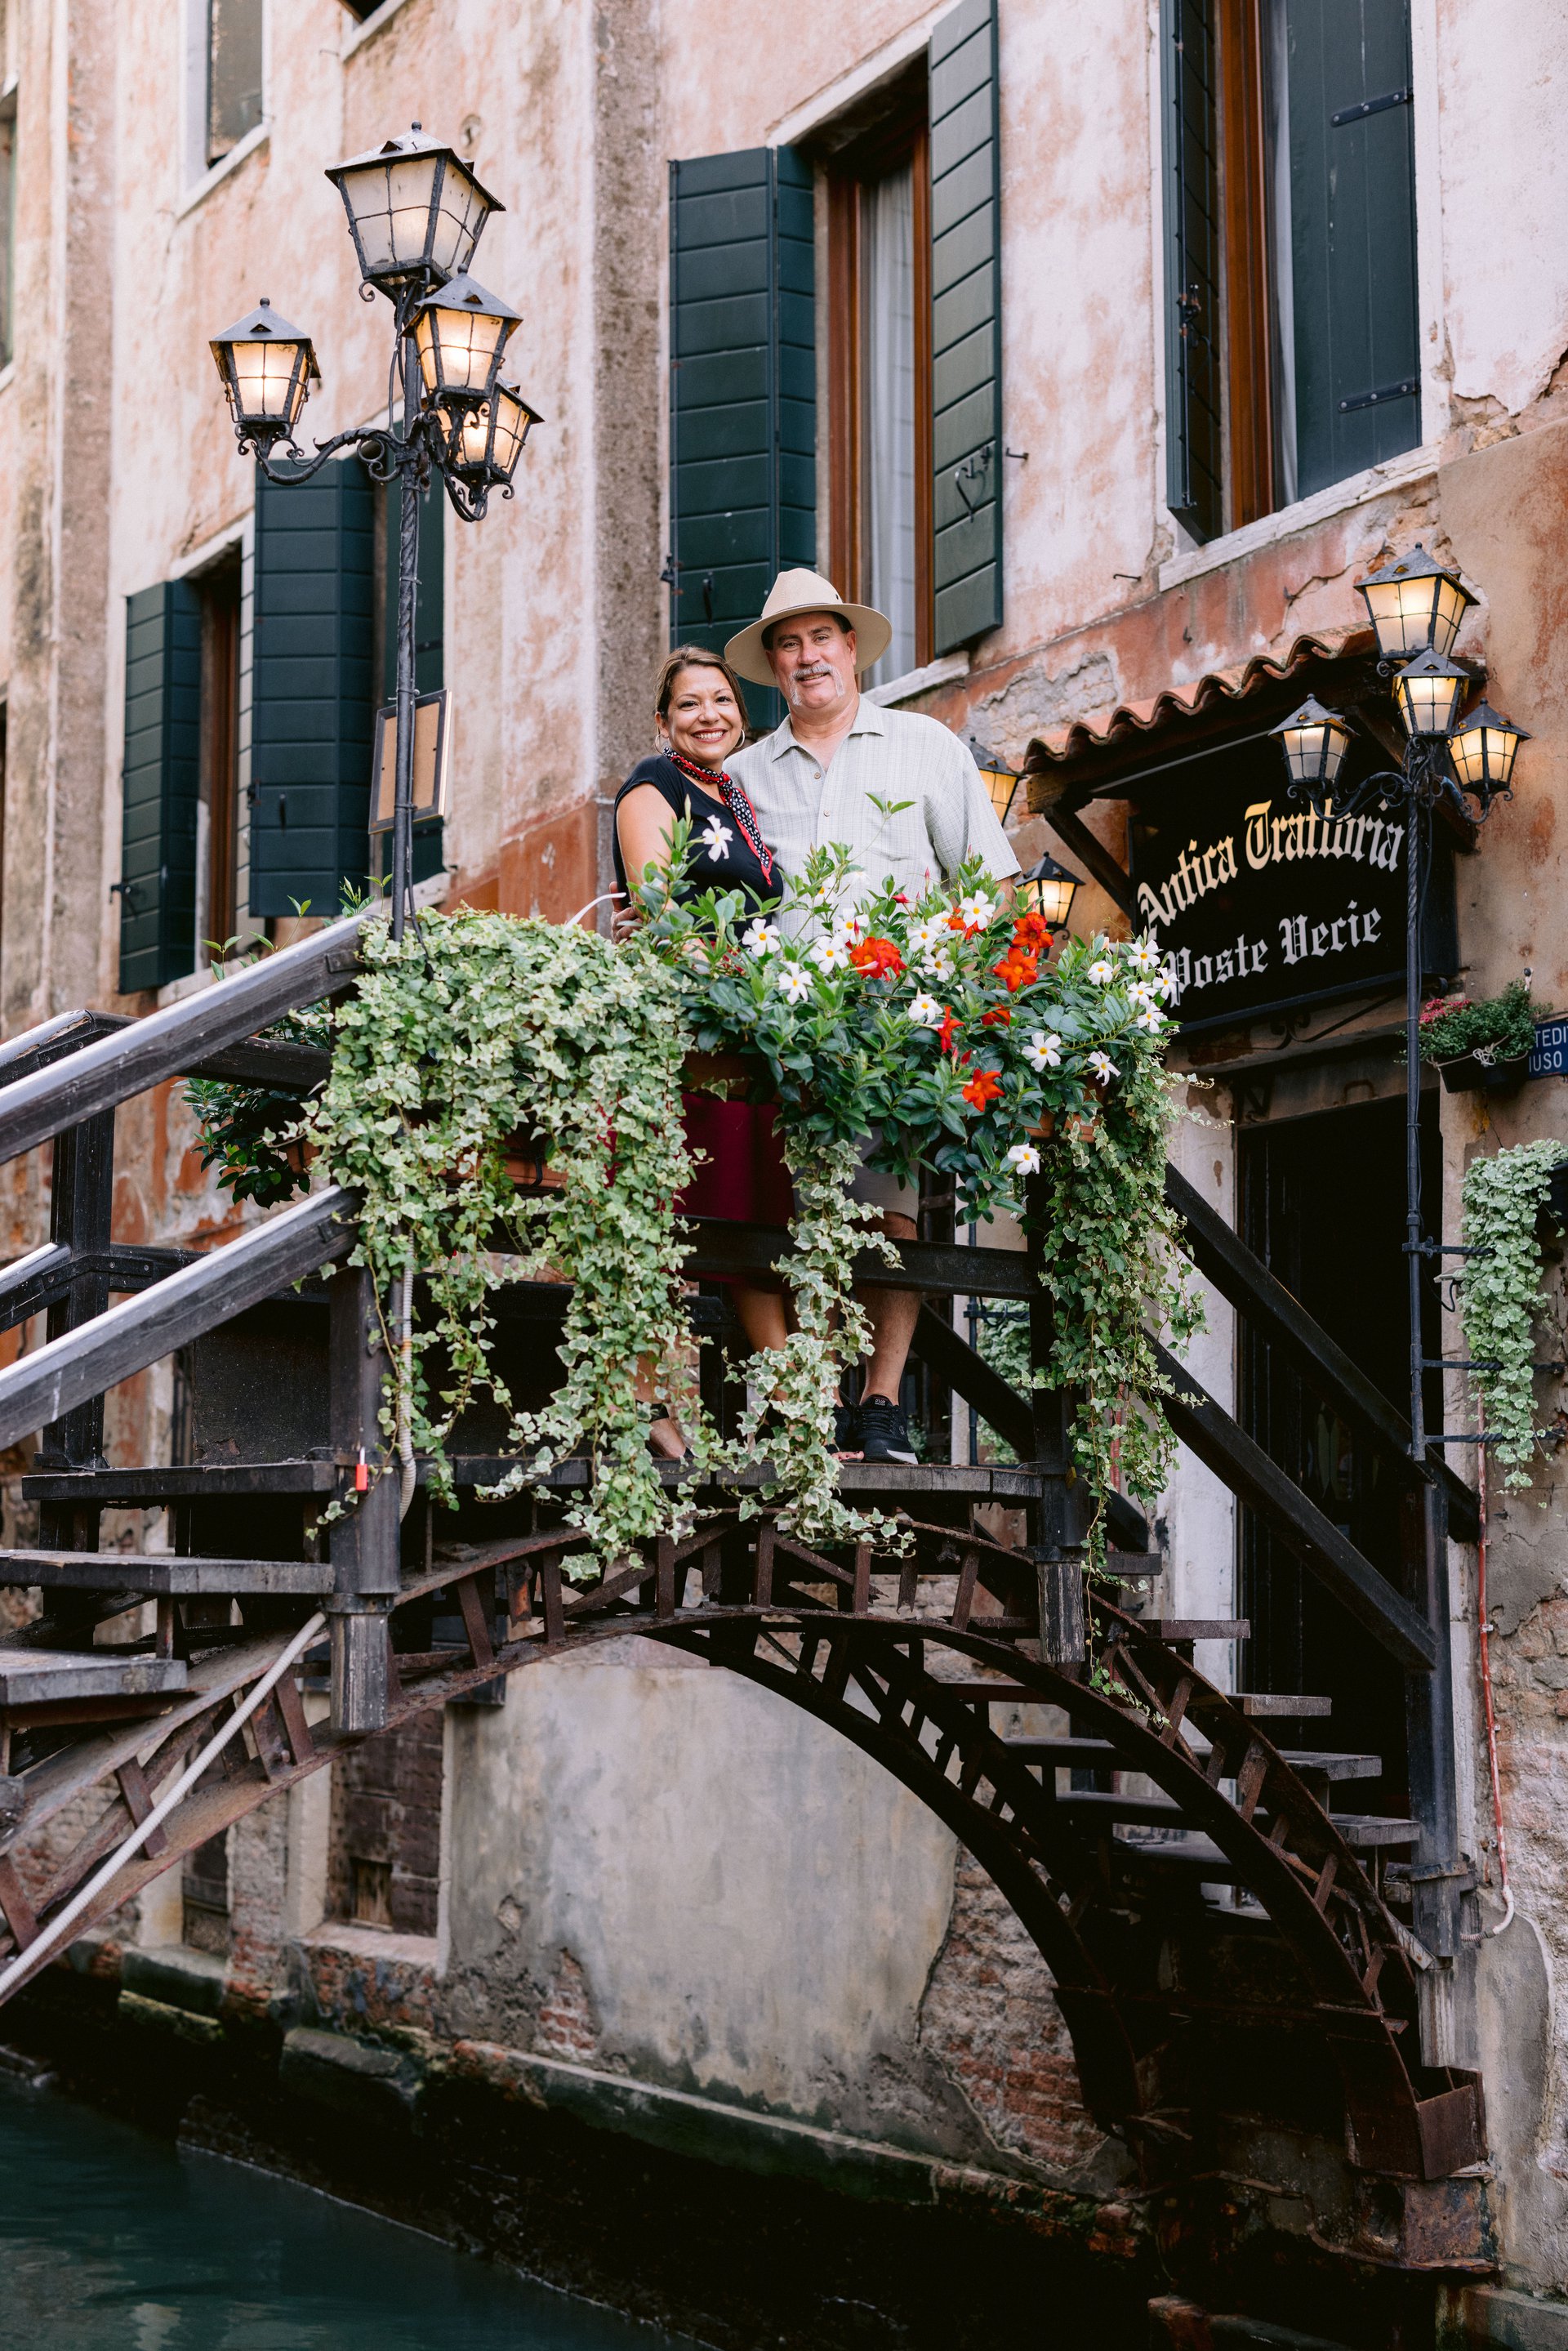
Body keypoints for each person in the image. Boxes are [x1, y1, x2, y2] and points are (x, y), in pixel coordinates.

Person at [724, 569, 1022, 1465]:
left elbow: (991, 886)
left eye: (822, 638)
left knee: (891, 1216)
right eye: (789, 643)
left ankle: (883, 1400)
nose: (808, 656)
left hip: (895, 1023)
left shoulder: (927, 747)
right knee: (781, 1219)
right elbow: (711, 897)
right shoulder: (740, 776)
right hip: (777, 1035)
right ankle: (809, 1402)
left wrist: (955, 995)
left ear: (851, 648)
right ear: (773, 666)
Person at [612, 646, 793, 1460]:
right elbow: (658, 911)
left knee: (751, 1217)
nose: (709, 714)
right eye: (690, 704)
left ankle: (792, 1404)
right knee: (670, 1219)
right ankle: (648, 1409)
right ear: (664, 720)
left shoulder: (739, 800)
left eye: (722, 700)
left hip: (743, 1043)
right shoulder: (654, 786)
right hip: (682, 1040)